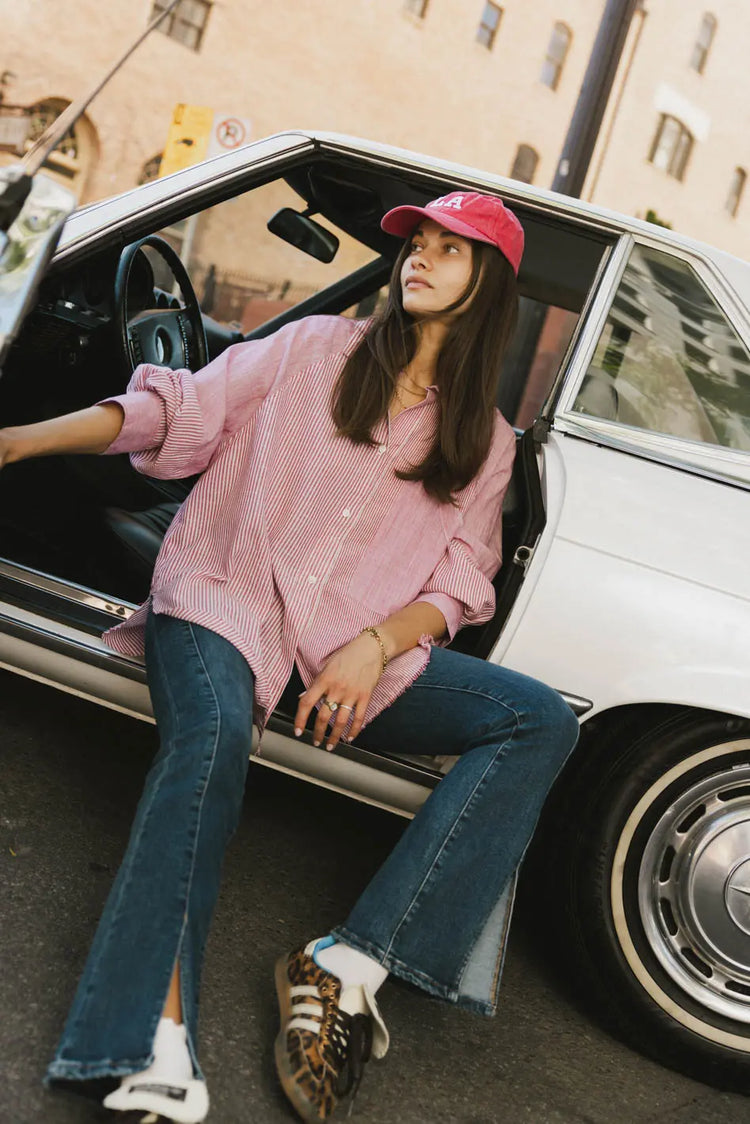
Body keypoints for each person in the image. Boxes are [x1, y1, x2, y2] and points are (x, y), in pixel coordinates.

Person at [0, 190, 579, 1123]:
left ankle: (349, 963)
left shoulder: (488, 444)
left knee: (539, 719)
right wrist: (24, 438)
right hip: (221, 601)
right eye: (416, 244)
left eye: (449, 250)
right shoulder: (315, 352)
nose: (419, 260)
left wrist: (376, 644)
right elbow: (177, 407)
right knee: (213, 736)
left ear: (488, 286)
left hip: (349, 660)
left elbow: (464, 582)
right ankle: (151, 1037)